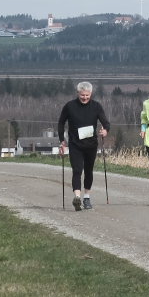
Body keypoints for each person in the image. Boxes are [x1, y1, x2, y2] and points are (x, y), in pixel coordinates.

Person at [58, 81, 110, 211]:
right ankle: (77, 198)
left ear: (91, 94)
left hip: (91, 144)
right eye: (82, 95)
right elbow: (61, 123)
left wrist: (105, 131)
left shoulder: (96, 106)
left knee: (88, 171)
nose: (85, 98)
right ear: (78, 93)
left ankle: (86, 197)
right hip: (75, 144)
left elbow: (106, 123)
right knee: (77, 170)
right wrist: (62, 140)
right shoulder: (70, 106)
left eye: (87, 95)